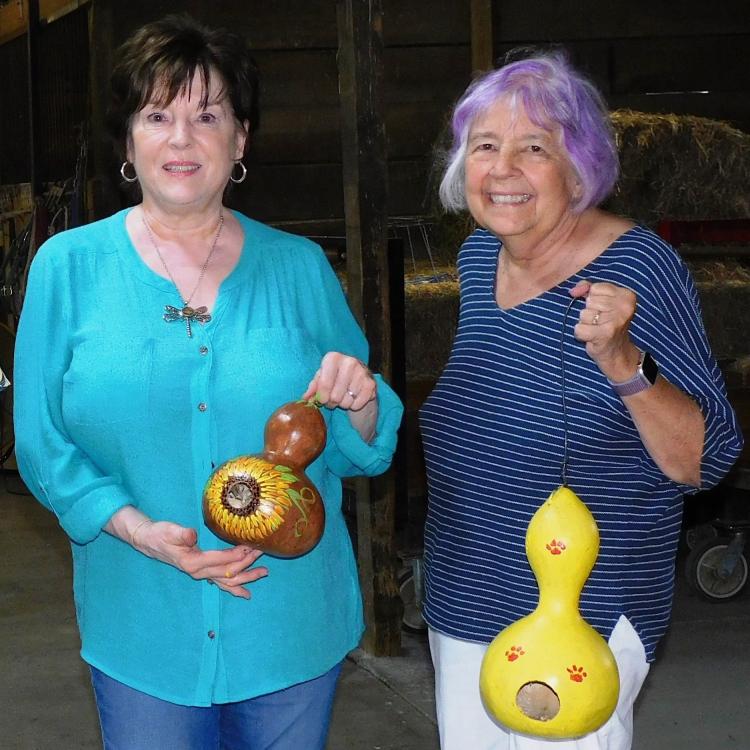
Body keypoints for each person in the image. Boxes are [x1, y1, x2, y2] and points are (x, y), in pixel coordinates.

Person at [15, 15, 402, 750]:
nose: (182, 138)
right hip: (143, 618)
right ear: (128, 140)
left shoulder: (299, 268)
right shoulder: (67, 268)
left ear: (242, 140)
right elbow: (39, 441)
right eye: (157, 115)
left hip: (289, 622)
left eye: (208, 115)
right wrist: (134, 528)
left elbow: (365, 447)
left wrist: (360, 398)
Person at [419, 51, 743, 750]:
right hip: (464, 601)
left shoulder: (638, 266)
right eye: (485, 147)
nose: (502, 169)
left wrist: (623, 363)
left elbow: (707, 460)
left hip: (579, 617)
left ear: (579, 168)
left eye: (533, 148)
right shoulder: (479, 260)